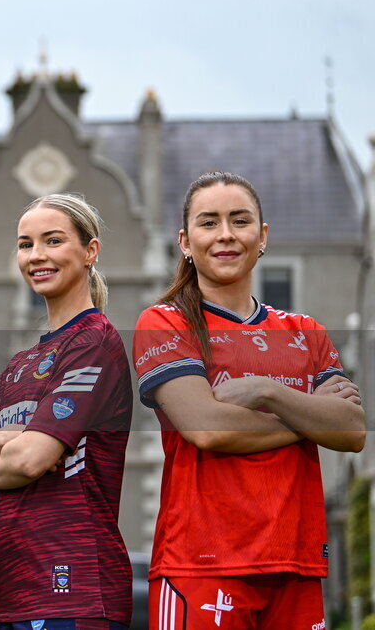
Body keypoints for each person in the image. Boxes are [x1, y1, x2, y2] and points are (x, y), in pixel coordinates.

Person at [133, 171, 365, 630]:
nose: (225, 235)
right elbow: (208, 428)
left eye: (239, 221)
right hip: (201, 566)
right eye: (209, 222)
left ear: (262, 236)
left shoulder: (306, 332)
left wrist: (267, 391)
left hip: (296, 565)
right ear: (185, 241)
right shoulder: (163, 322)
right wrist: (310, 414)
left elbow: (353, 432)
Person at [0, 193, 132, 630]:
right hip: (16, 595)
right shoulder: (20, 365)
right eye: (25, 244)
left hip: (78, 593)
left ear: (90, 251)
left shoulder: (95, 343)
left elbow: (28, 461)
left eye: (52, 241)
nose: (36, 256)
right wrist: (3, 440)